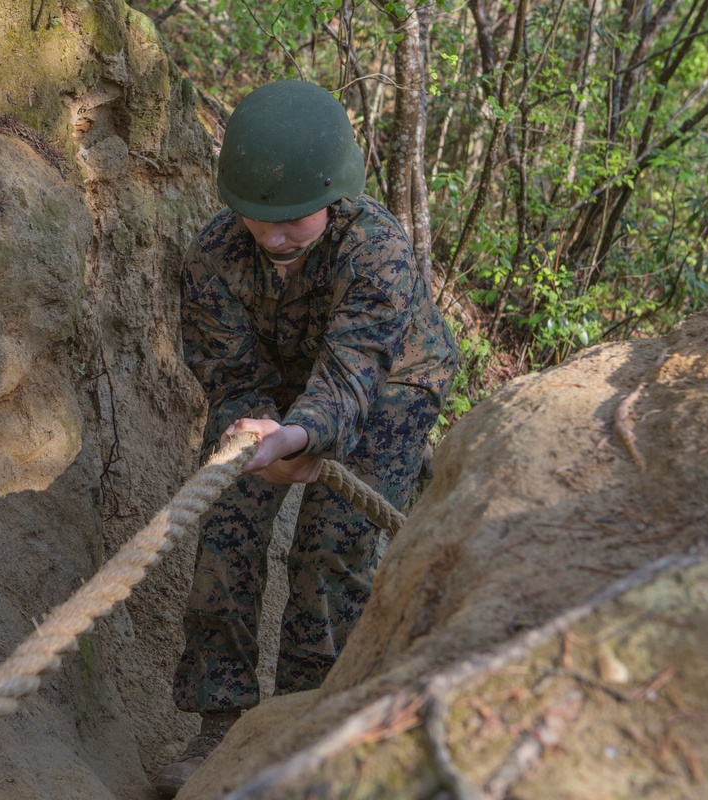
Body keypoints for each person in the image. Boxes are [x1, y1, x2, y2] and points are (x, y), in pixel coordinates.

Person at [155, 79, 457, 795]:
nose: (276, 234)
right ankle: (220, 725)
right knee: (224, 515)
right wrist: (260, 432)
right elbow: (230, 373)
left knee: (333, 544)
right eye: (260, 217)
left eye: (294, 217)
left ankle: (304, 723)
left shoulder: (377, 249)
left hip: (390, 386)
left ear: (336, 194)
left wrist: (302, 435)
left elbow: (354, 376)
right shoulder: (213, 257)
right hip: (276, 393)